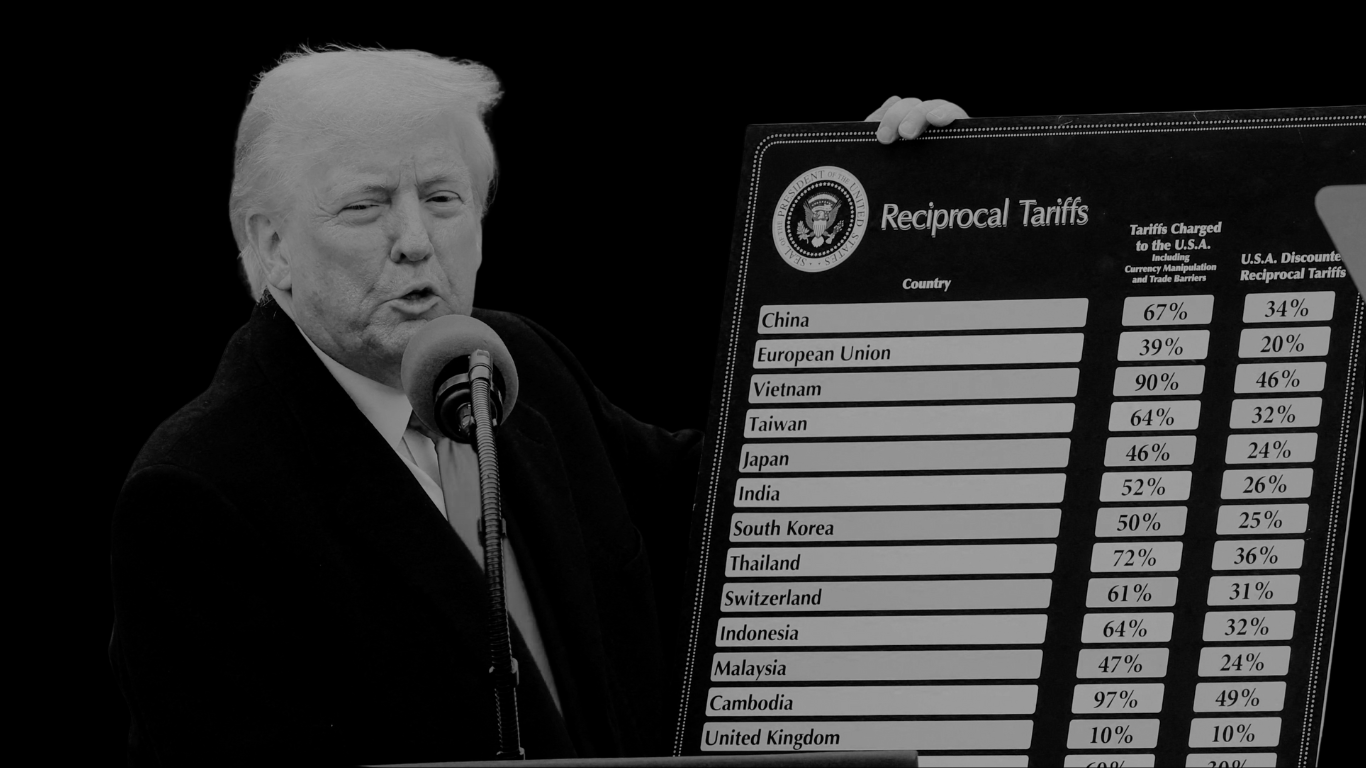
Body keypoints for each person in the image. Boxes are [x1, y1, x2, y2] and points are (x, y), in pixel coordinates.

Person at [108, 46, 966, 766]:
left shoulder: (518, 366)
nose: (416, 241)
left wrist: (908, 221)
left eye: (442, 199)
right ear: (271, 247)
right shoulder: (200, 494)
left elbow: (746, 502)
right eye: (365, 207)